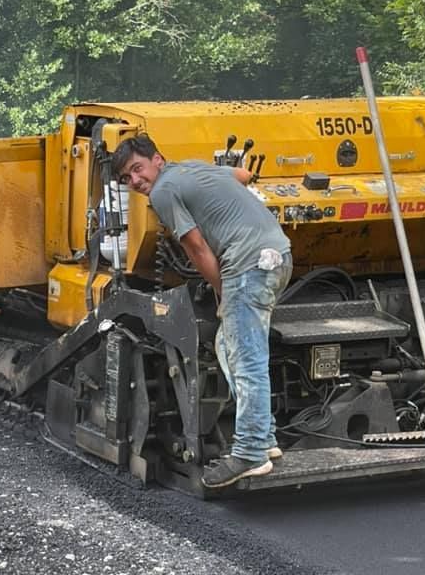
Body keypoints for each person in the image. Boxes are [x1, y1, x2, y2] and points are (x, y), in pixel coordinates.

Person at [111, 133, 292, 489]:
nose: (135, 182)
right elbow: (241, 175)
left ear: (157, 159)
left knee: (246, 359)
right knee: (230, 348)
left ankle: (251, 453)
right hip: (277, 256)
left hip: (247, 266)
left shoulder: (164, 191)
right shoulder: (193, 169)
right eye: (126, 179)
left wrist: (223, 292)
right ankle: (265, 439)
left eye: (137, 169)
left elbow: (195, 247)